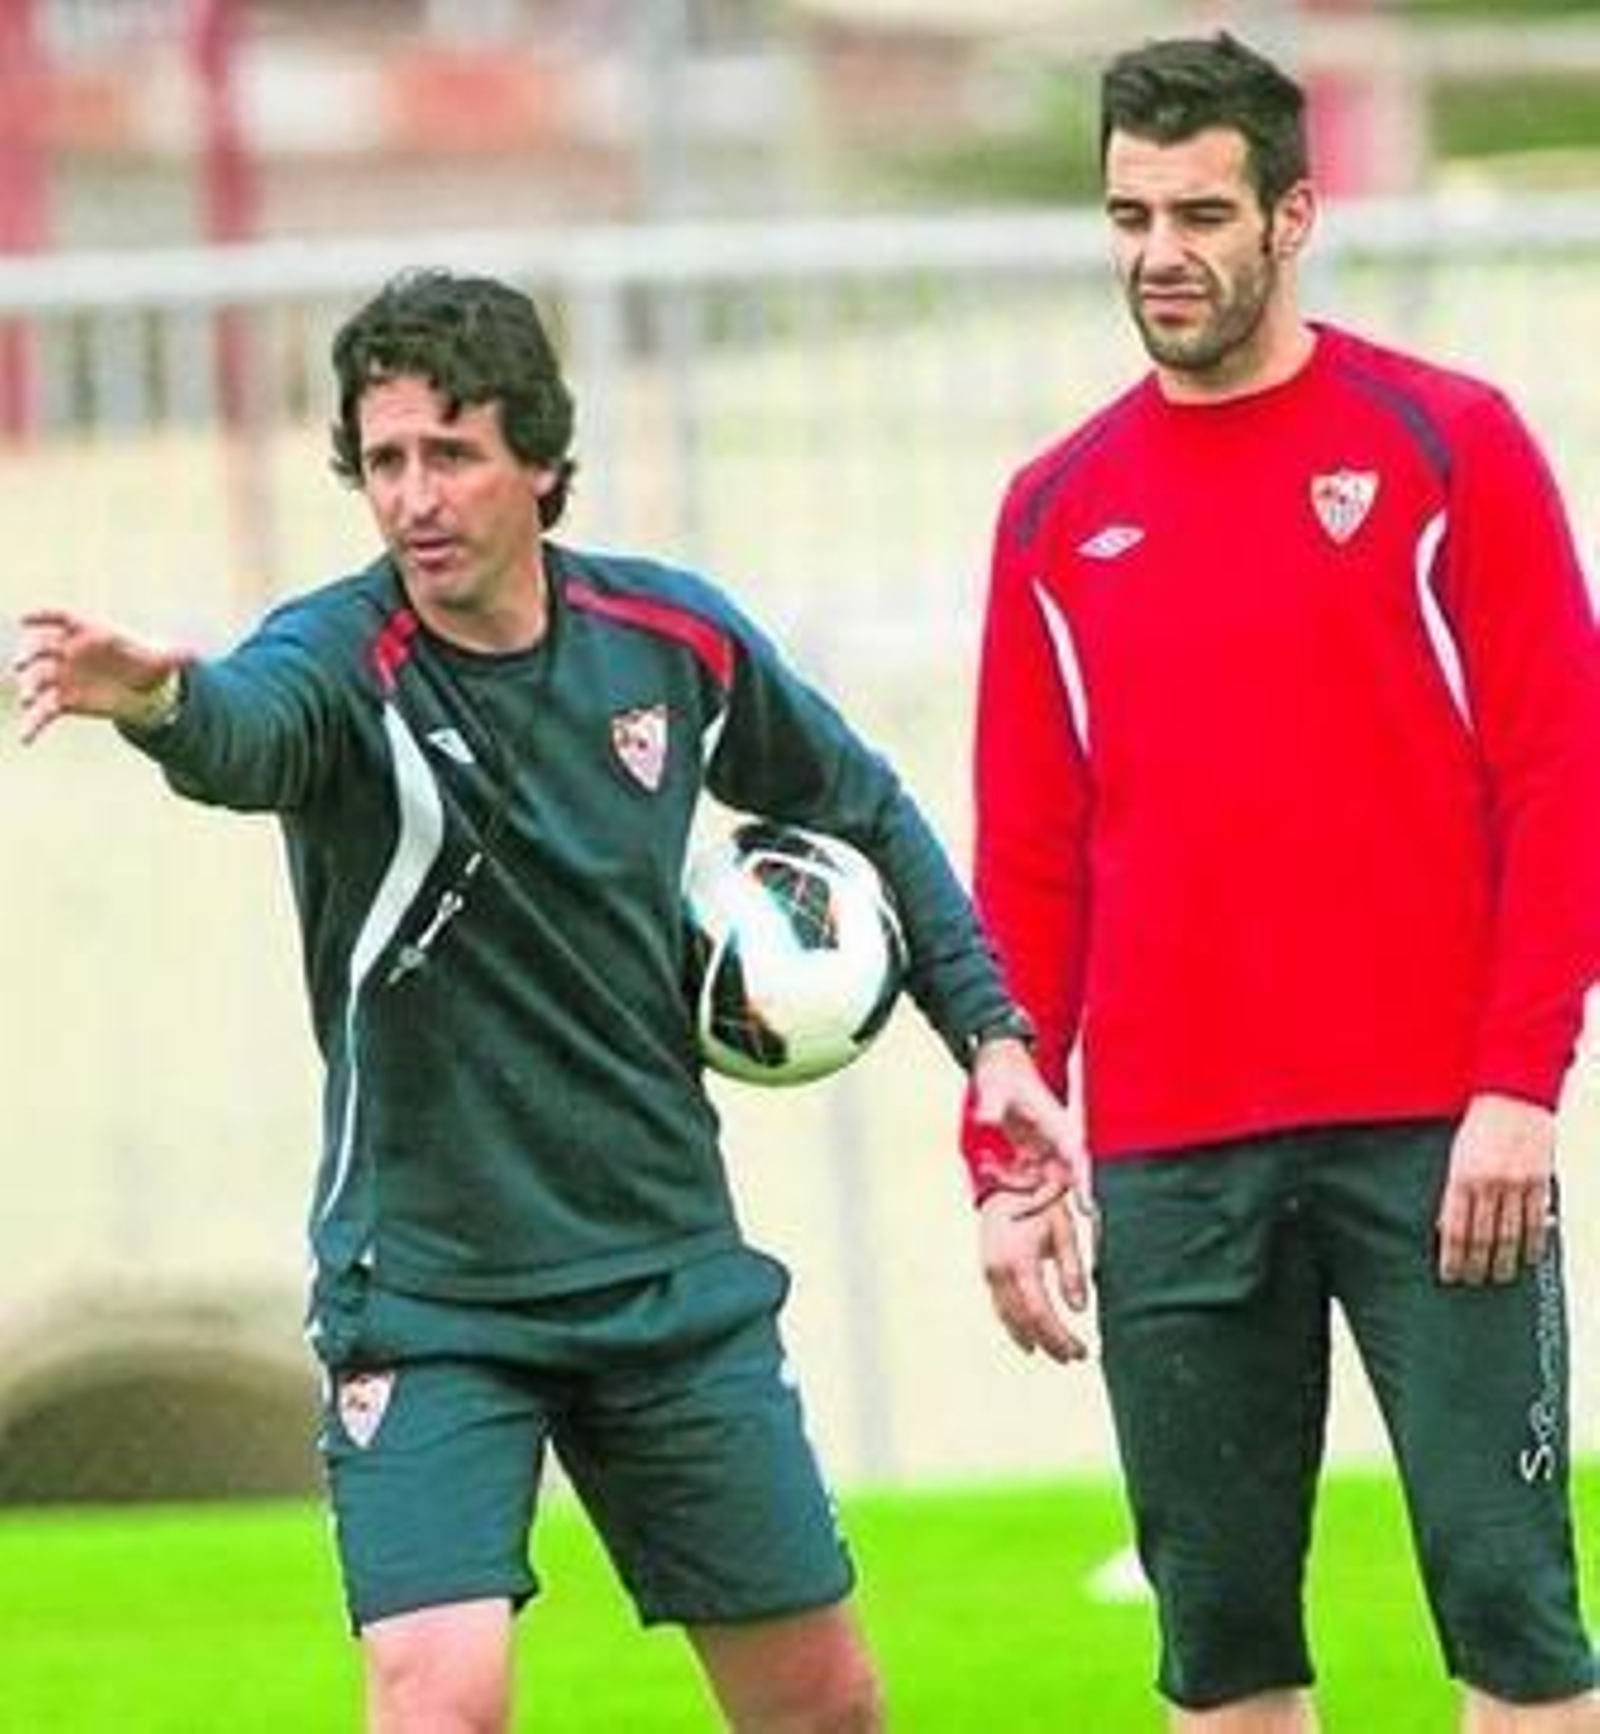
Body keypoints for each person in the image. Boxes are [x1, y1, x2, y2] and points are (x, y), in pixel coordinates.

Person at [13, 267, 1083, 1734]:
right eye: (385, 459)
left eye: (449, 454)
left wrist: (992, 1037)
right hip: (429, 1288)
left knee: (823, 1703)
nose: (413, 497)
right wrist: (160, 701)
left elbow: (864, 807)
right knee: (440, 1698)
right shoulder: (339, 660)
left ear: (539, 460)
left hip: (663, 1269)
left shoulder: (668, 640)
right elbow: (247, 735)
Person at [964, 31, 1600, 1734]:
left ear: (1293, 216)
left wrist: (1518, 1085)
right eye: (1128, 217)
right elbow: (1027, 863)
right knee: (1224, 1639)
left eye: (1198, 213)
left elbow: (1564, 781)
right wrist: (1008, 1155)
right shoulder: (1053, 512)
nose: (1158, 253)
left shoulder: (1447, 444)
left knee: (1514, 1615)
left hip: (1440, 1143)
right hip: (1172, 1160)